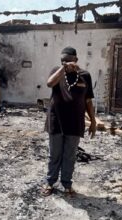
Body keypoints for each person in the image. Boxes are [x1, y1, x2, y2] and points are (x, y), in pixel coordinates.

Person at [41, 46, 96, 196]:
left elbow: (88, 101)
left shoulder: (85, 76)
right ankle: (50, 182)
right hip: (56, 120)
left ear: (76, 60)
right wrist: (63, 69)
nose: (66, 63)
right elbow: (49, 83)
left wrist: (93, 121)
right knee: (55, 154)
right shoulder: (56, 73)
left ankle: (67, 184)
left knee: (70, 155)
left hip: (75, 122)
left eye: (68, 60)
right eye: (62, 61)